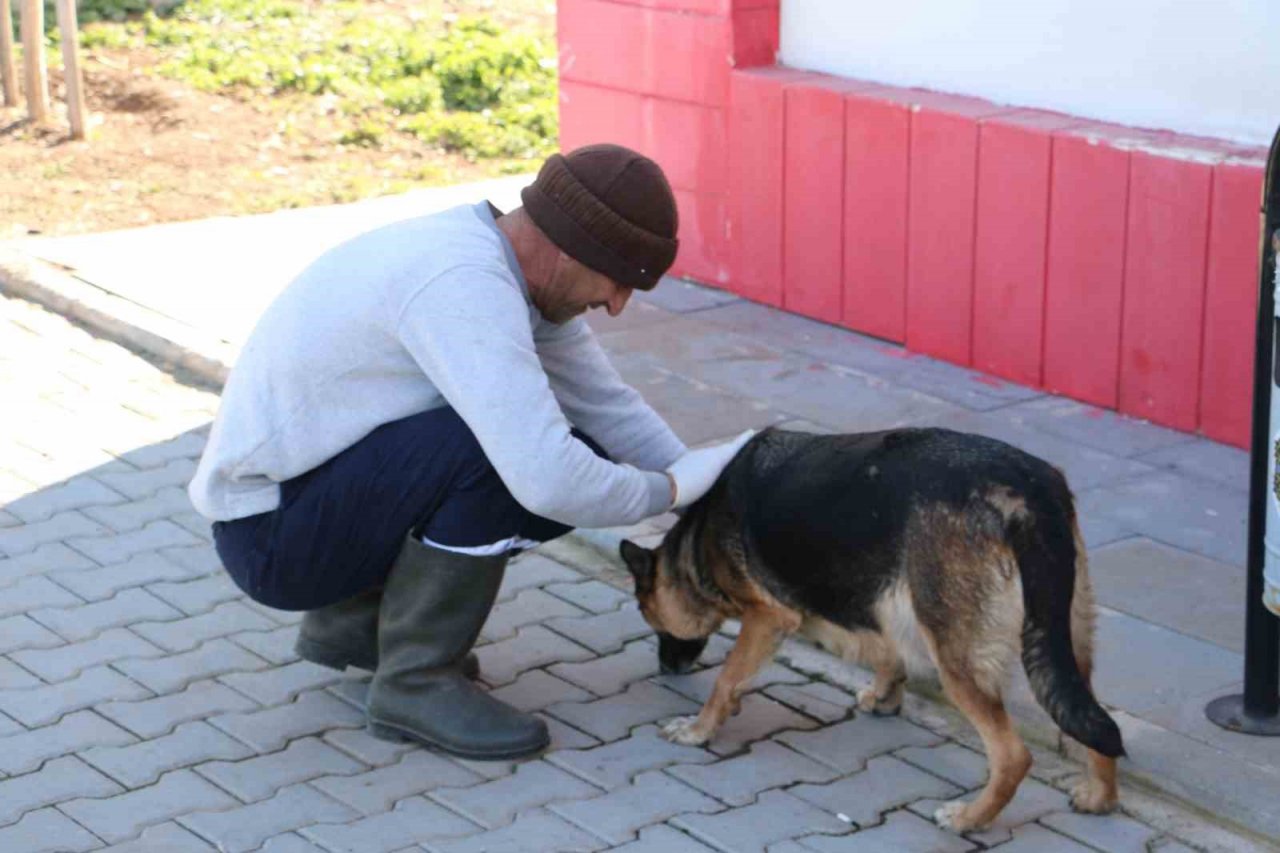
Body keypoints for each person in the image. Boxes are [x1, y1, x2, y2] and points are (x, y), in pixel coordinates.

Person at [188, 144, 752, 761]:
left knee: (571, 450)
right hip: (273, 541)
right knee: (497, 461)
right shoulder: (460, 284)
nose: (617, 305)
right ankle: (415, 683)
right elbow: (548, 480)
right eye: (618, 283)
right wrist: (668, 491)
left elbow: (606, 406)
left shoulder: (505, 266)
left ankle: (358, 625)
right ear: (570, 250)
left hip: (304, 506)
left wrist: (709, 496)